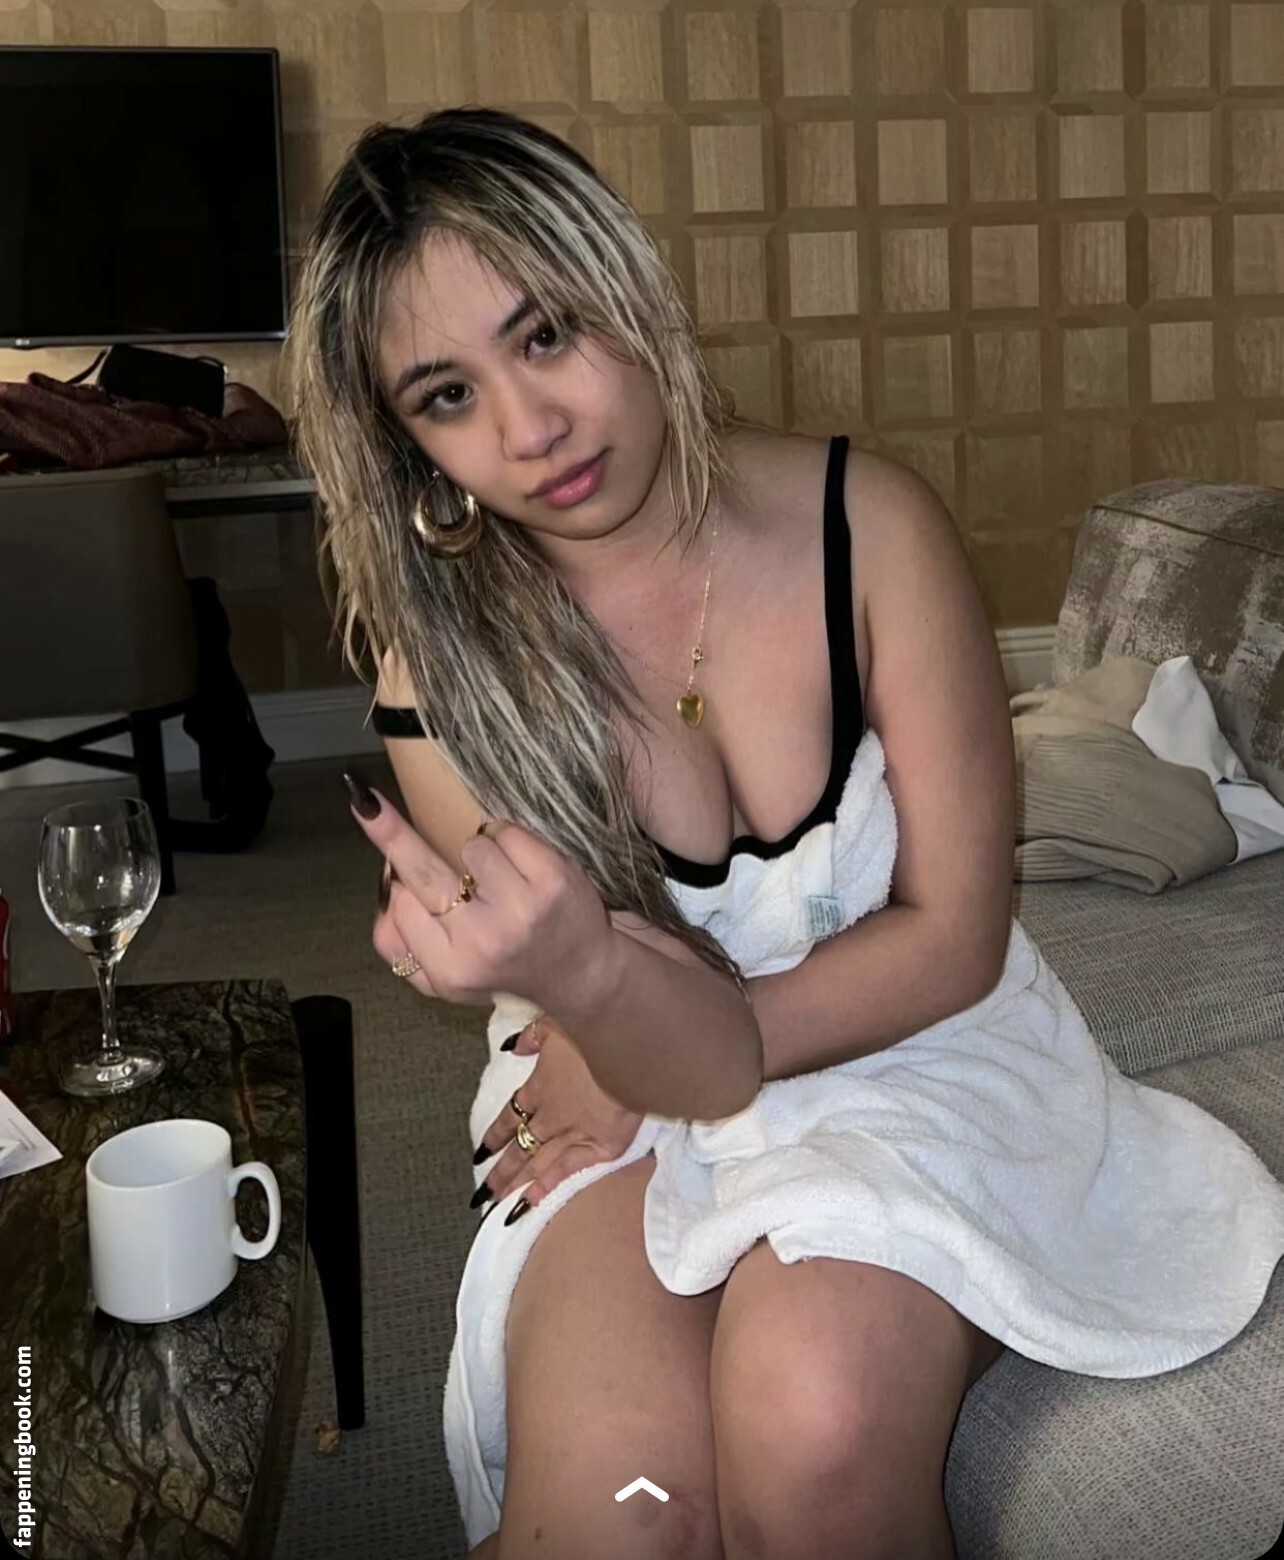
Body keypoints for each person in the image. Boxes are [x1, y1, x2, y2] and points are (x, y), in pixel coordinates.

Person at [286, 107, 1284, 1560]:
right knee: (625, 1517)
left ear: (627, 287)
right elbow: (606, 1014)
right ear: (412, 446)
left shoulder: (871, 527)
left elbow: (952, 937)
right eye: (449, 394)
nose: (529, 427)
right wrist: (601, 1013)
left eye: (547, 333)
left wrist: (654, 1023)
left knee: (813, 1432)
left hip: (907, 1042)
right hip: (615, 1079)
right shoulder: (443, 681)